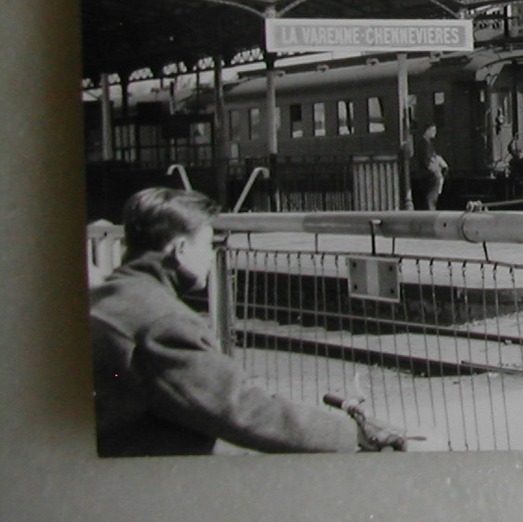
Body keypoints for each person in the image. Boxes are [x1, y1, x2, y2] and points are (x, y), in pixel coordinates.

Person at [90, 187, 399, 456]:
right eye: (208, 245)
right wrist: (349, 433)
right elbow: (243, 409)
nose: (212, 257)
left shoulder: (105, 298)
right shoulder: (163, 323)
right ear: (181, 251)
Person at [412, 122, 449, 210]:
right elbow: (427, 161)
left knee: (431, 198)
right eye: (433, 130)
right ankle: (431, 212)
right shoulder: (424, 144)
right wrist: (436, 169)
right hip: (429, 175)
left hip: (429, 174)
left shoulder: (426, 143)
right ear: (427, 131)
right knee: (431, 198)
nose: (434, 133)